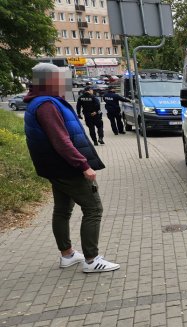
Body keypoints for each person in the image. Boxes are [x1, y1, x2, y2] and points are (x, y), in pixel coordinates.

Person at [23, 63, 120, 273]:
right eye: (59, 79)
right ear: (47, 81)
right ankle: (92, 260)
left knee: (62, 209)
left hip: (55, 167)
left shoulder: (40, 102)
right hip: (66, 167)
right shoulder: (46, 105)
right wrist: (83, 165)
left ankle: (67, 255)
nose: (63, 83)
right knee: (93, 208)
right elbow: (61, 141)